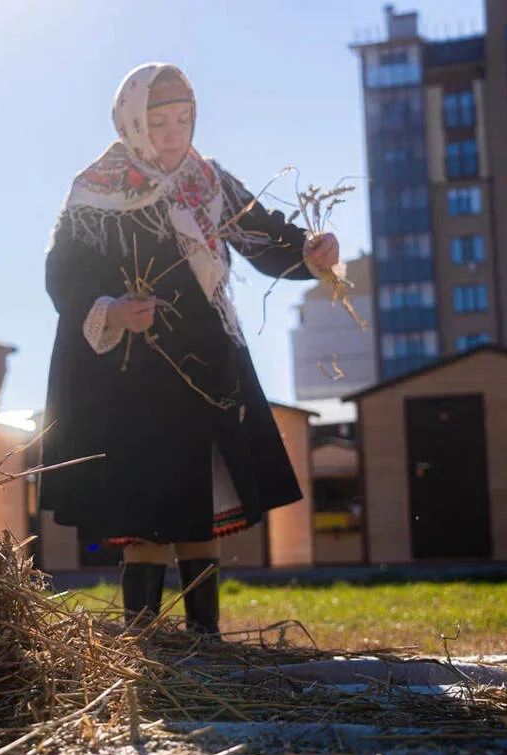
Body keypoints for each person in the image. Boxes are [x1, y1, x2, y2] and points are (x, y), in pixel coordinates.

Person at [39, 63, 340, 635]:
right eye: (159, 122)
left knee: (197, 504)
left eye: (184, 119)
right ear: (131, 122)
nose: (175, 133)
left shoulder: (211, 183)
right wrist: (114, 311)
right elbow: (63, 276)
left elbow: (264, 238)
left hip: (204, 365)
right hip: (131, 373)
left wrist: (310, 251)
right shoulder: (95, 190)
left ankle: (206, 644)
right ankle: (143, 642)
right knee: (146, 510)